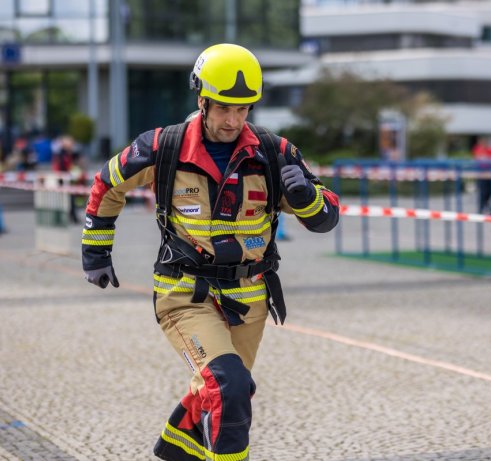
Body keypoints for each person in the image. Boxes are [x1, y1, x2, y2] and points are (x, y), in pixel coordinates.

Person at [81, 43, 340, 461]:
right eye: (223, 109)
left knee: (224, 391)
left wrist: (307, 196)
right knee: (228, 386)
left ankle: (178, 450)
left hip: (250, 298)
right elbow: (106, 185)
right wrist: (95, 252)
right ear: (201, 99)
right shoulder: (161, 147)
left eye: (243, 110)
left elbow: (326, 217)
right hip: (184, 294)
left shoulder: (275, 154)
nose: (233, 120)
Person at [472, 136, 491, 213]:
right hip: (481, 174)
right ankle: (481, 208)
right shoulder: (477, 149)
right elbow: (478, 160)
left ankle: (489, 207)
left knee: (490, 192)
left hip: (489, 175)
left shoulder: (490, 150)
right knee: (482, 192)